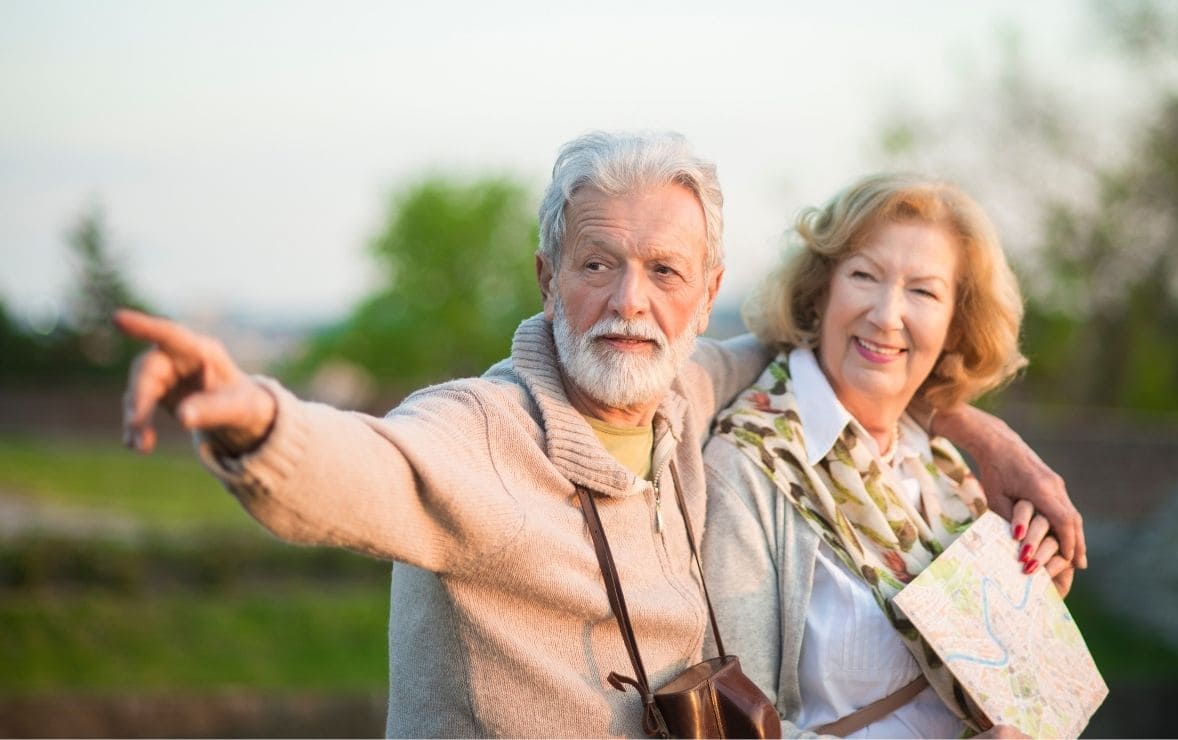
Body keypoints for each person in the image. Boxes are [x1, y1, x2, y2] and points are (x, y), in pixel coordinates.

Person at [116, 133, 1083, 738]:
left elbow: (854, 361)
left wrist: (988, 440)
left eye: (666, 271)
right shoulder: (484, 430)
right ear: (547, 278)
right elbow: (367, 467)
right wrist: (255, 418)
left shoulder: (691, 387)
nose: (630, 304)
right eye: (597, 263)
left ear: (706, 296)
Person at [702, 173, 1072, 738]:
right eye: (864, 276)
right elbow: (735, 728)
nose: (886, 314)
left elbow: (1026, 697)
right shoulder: (747, 465)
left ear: (955, 324)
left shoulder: (943, 469)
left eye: (923, 291)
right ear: (820, 291)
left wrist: (1031, 605)